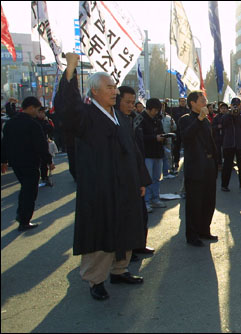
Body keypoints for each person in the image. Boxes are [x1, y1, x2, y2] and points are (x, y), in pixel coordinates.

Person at [55, 53, 146, 301]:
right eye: (109, 87)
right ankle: (95, 279)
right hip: (100, 187)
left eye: (115, 87)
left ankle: (120, 270)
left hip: (125, 185)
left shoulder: (120, 117)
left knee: (125, 228)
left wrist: (140, 180)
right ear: (94, 92)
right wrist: (71, 70)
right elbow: (66, 108)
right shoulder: (85, 116)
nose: (115, 91)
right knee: (101, 232)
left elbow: (133, 151)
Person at [1, 96, 55, 232]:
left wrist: (4, 160)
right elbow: (41, 145)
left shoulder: (10, 123)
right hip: (30, 161)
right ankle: (24, 220)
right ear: (31, 107)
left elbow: (4, 143)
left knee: (25, 188)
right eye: (37, 109)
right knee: (30, 191)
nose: (37, 112)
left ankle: (21, 214)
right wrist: (48, 160)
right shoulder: (33, 124)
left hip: (16, 162)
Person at [116, 86, 155, 257]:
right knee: (125, 218)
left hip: (136, 171)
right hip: (123, 177)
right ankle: (125, 253)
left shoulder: (134, 119)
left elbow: (137, 150)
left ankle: (139, 244)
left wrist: (142, 179)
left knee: (141, 215)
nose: (131, 106)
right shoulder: (114, 122)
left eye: (133, 102)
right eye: (127, 102)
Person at [178, 91, 218, 247]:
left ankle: (204, 230)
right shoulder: (185, 120)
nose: (205, 102)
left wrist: (216, 160)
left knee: (209, 200)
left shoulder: (207, 121)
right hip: (195, 167)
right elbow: (186, 137)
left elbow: (211, 141)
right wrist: (200, 118)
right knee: (194, 202)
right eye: (202, 100)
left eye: (205, 99)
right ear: (192, 103)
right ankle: (192, 235)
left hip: (208, 165)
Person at [135, 98, 168, 213]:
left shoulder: (157, 119)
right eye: (154, 110)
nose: (156, 112)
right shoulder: (140, 119)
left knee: (157, 178)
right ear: (148, 109)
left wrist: (164, 136)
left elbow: (161, 131)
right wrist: (154, 138)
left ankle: (155, 198)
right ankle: (146, 202)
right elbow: (138, 137)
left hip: (158, 153)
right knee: (147, 179)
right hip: (146, 154)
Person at [221, 97, 241, 192]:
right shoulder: (226, 116)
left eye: (237, 105)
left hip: (240, 144)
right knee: (227, 165)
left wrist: (238, 115)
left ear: (240, 106)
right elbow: (223, 124)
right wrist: (230, 114)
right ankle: (224, 185)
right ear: (230, 105)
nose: (236, 107)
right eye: (234, 105)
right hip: (229, 144)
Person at [171, 97, 189, 172]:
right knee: (176, 148)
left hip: (186, 131)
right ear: (179, 102)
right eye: (181, 101)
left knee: (187, 147)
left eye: (184, 101)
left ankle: (188, 162)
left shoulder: (188, 110)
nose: (183, 102)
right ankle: (176, 162)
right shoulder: (175, 110)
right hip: (177, 131)